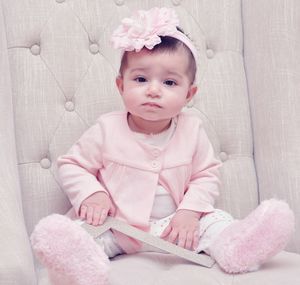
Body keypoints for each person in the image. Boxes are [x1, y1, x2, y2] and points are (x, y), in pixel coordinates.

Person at [30, 7, 294, 285]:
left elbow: (206, 176)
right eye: (141, 79)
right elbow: (73, 164)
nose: (153, 90)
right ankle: (78, 267)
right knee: (86, 233)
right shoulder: (106, 129)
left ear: (189, 93)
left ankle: (239, 247)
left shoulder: (192, 131)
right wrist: (92, 195)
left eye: (169, 82)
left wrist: (189, 213)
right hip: (119, 225)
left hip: (178, 228)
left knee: (216, 222)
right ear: (121, 86)